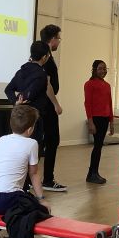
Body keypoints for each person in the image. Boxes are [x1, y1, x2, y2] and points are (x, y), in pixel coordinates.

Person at [0, 105, 50, 238]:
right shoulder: (32, 143)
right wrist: (41, 199)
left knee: (13, 208)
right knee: (38, 210)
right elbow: (34, 174)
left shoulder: (1, 139)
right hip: (6, 199)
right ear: (30, 129)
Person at [5, 40, 51, 191]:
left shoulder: (22, 70)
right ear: (44, 57)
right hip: (33, 118)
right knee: (32, 154)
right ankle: (25, 186)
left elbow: (8, 89)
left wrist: (16, 103)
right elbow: (30, 94)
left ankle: (20, 184)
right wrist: (23, 99)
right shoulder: (41, 74)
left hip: (19, 116)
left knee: (19, 151)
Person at [39, 24, 66, 192]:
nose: (59, 42)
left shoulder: (41, 56)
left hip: (42, 105)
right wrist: (56, 104)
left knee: (42, 141)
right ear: (53, 39)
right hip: (47, 106)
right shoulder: (46, 58)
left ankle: (32, 180)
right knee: (52, 140)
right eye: (59, 38)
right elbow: (47, 84)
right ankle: (48, 179)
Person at [84, 60, 114, 184]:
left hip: (105, 118)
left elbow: (110, 103)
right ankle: (92, 174)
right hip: (96, 119)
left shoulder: (107, 85)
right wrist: (90, 122)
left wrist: (112, 121)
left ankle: (92, 173)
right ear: (94, 69)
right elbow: (87, 104)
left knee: (99, 146)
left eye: (104, 68)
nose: (103, 71)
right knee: (97, 146)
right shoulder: (89, 84)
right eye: (100, 68)